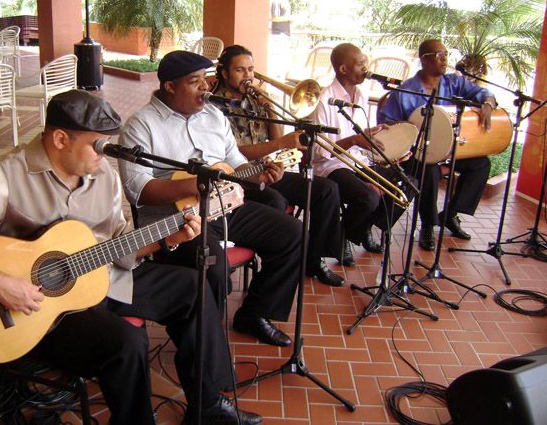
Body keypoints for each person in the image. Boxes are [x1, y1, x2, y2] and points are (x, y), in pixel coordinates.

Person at [0, 90, 261, 425]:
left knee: (192, 287)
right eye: (98, 146)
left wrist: (165, 240)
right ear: (60, 138)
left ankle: (207, 405)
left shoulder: (103, 176)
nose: (104, 154)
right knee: (125, 343)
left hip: (104, 277)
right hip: (36, 310)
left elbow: (119, 244)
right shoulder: (6, 176)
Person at [118, 50, 302, 348]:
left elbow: (236, 164)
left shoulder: (214, 116)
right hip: (178, 221)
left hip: (224, 206)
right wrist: (195, 184)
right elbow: (138, 190)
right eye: (195, 81)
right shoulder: (141, 125)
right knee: (212, 266)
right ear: (170, 87)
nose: (205, 87)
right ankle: (207, 344)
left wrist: (260, 173)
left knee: (293, 233)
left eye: (205, 79)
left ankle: (255, 314)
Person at [211, 44, 345, 287]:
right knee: (276, 202)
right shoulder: (215, 106)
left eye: (251, 69)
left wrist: (270, 107)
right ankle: (274, 264)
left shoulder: (254, 99)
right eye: (240, 70)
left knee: (326, 190)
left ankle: (314, 259)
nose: (248, 76)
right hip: (240, 176)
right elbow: (234, 153)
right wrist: (279, 143)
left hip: (268, 169)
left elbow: (276, 139)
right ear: (225, 73)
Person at [377, 39, 496, 251]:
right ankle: (428, 225)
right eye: (438, 55)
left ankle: (450, 215)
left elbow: (481, 93)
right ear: (424, 60)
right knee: (429, 171)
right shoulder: (406, 91)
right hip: (418, 152)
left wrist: (487, 103)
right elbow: (386, 125)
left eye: (446, 54)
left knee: (480, 164)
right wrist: (405, 129)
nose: (444, 59)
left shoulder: (453, 83)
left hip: (449, 149)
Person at [310, 43, 386, 267]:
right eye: (361, 64)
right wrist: (353, 140)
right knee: (368, 197)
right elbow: (320, 151)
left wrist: (377, 139)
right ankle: (344, 235)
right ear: (343, 69)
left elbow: (360, 136)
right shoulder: (324, 100)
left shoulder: (360, 94)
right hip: (332, 166)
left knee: (404, 182)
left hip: (357, 160)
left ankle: (361, 228)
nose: (366, 68)